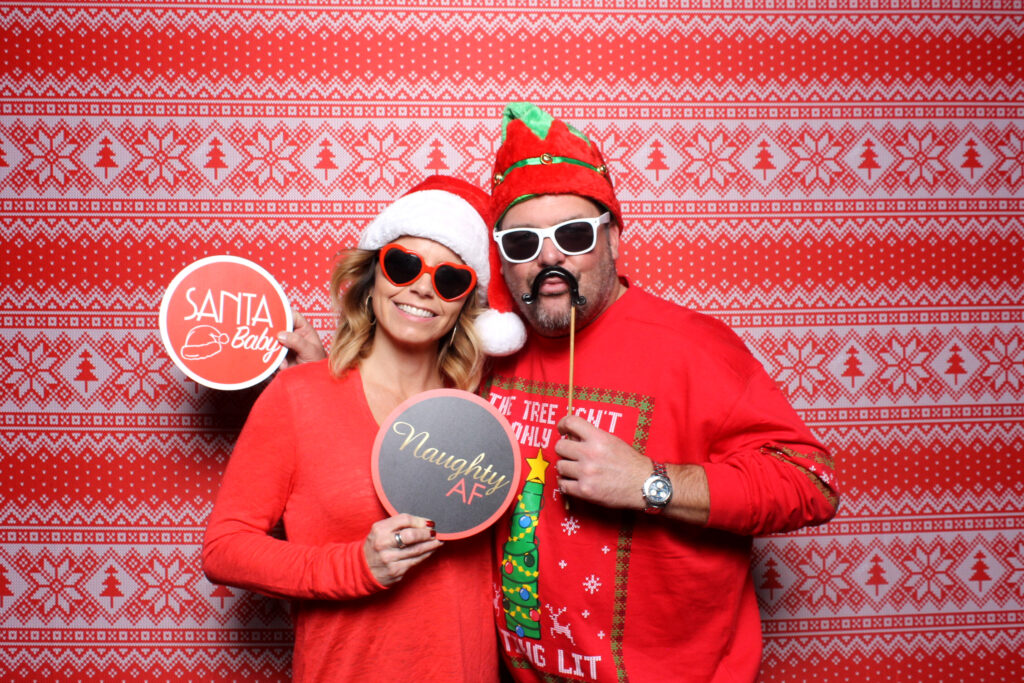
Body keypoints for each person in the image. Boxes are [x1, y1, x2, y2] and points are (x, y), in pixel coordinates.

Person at [483, 102, 841, 681]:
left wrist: (651, 482)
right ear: (503, 259)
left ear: (615, 239)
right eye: (522, 243)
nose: (549, 257)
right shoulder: (492, 353)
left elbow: (812, 484)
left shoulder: (694, 348)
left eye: (572, 235)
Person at [202, 175, 514, 682]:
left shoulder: (482, 413)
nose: (421, 287)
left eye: (449, 279)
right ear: (371, 280)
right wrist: (357, 566)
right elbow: (224, 550)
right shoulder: (298, 397)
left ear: (463, 306)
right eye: (403, 264)